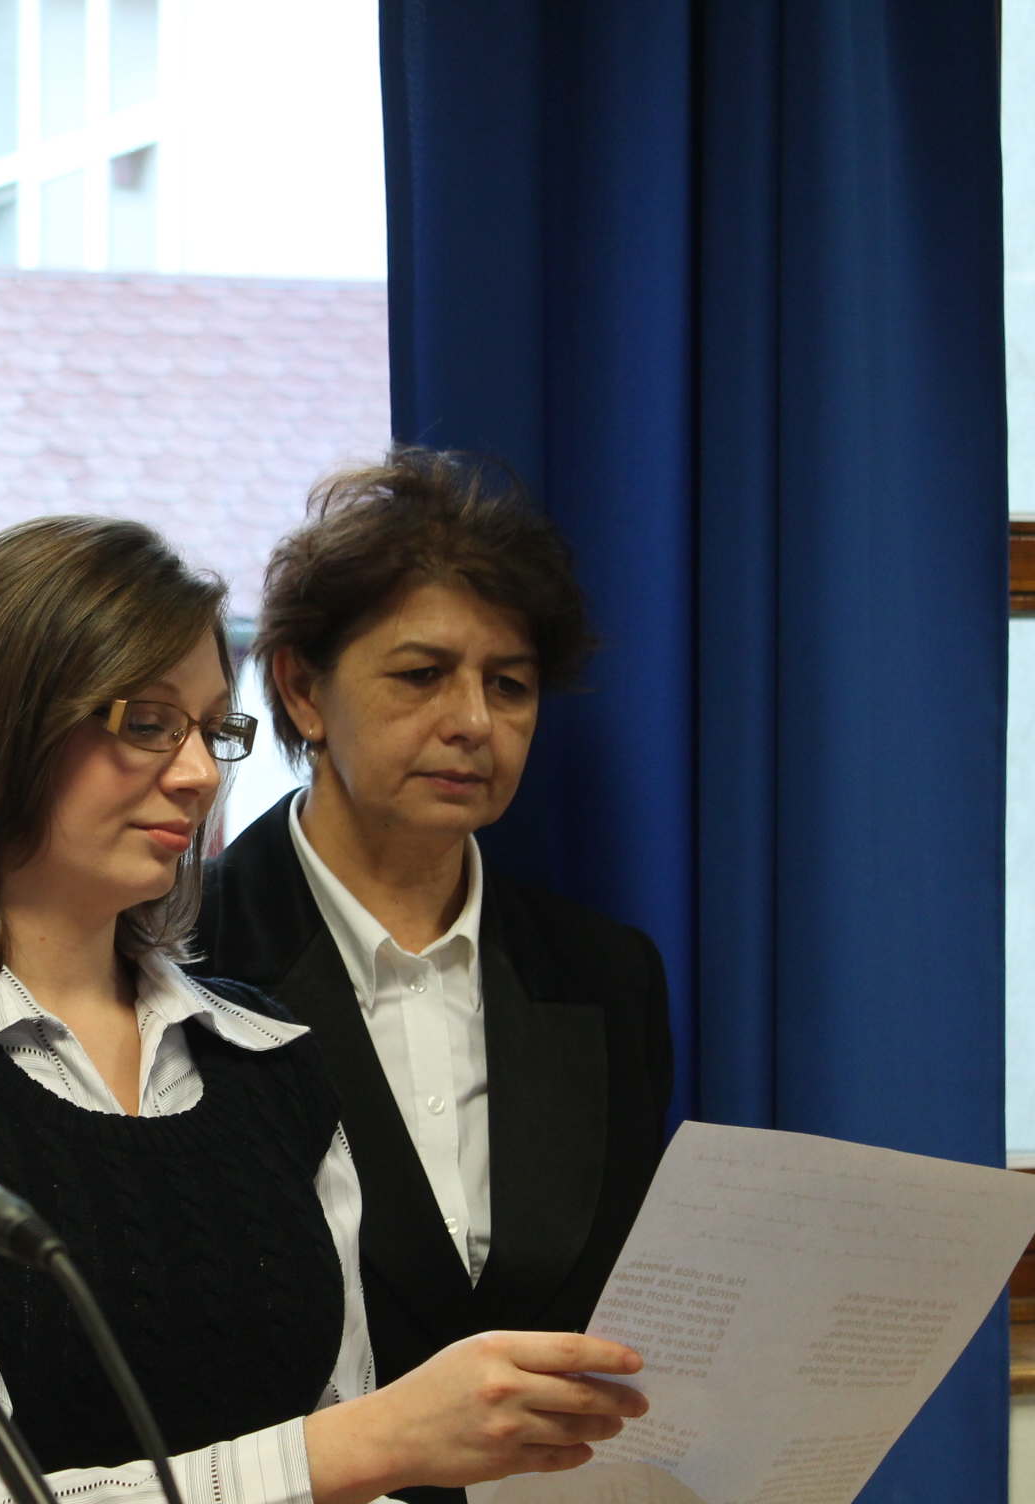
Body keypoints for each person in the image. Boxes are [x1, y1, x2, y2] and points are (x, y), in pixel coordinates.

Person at [0, 514, 649, 1504]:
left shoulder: (270, 1061)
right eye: (146, 724)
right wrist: (352, 1451)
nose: (200, 774)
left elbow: (348, 1453)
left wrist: (368, 1457)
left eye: (213, 730)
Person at [193, 450, 675, 1504]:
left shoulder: (608, 974)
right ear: (302, 689)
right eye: (421, 675)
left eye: (510, 684)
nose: (473, 721)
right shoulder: (180, 957)